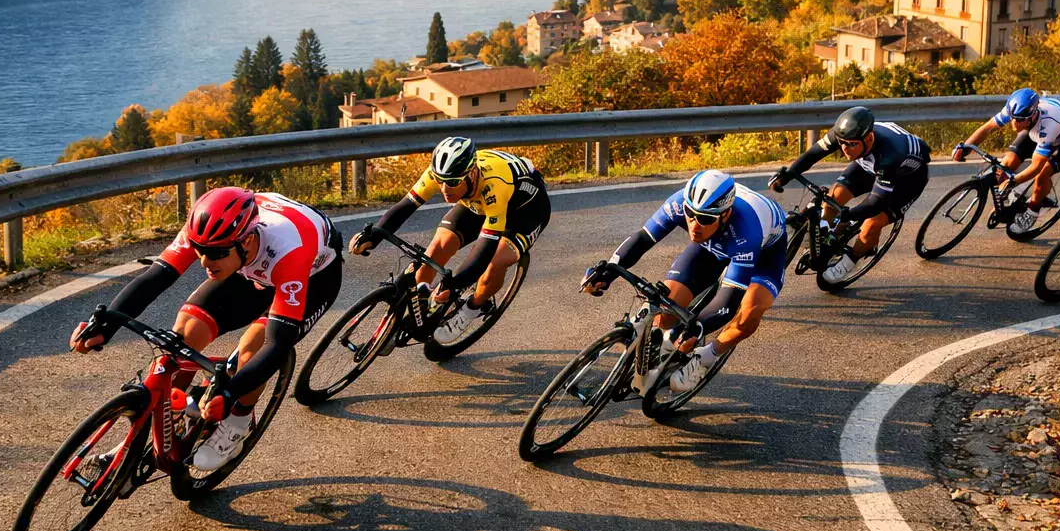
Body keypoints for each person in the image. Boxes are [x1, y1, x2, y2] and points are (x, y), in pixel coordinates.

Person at [69, 187, 343, 470]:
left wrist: (230, 394)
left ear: (247, 240)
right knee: (185, 334)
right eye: (199, 250)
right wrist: (108, 322)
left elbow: (277, 345)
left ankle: (237, 424)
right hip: (246, 267)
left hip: (311, 278)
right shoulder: (209, 234)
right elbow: (156, 277)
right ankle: (149, 434)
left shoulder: (290, 249)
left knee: (252, 350)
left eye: (214, 253)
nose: (204, 262)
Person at [582, 170, 786, 394]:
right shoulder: (681, 202)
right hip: (711, 243)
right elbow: (643, 238)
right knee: (665, 310)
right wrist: (608, 270)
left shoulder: (747, 231)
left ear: (725, 214)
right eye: (690, 213)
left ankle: (705, 358)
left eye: (705, 218)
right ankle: (663, 349)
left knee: (748, 315)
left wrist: (698, 328)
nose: (694, 224)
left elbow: (728, 302)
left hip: (764, 252)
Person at [349, 137, 550, 343]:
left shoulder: (495, 186)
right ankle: (408, 314)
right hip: (477, 202)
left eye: (453, 182)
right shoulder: (444, 175)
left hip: (525, 212)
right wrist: (375, 234)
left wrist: (455, 284)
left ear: (472, 173)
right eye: (441, 180)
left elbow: (485, 247)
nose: (445, 188)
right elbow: (405, 206)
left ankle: (472, 309)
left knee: (495, 261)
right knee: (438, 247)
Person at [769, 105, 930, 284]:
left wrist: (848, 215)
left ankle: (851, 260)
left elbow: (876, 202)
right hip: (869, 163)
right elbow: (813, 154)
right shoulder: (846, 135)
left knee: (872, 223)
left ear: (868, 138)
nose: (845, 148)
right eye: (841, 143)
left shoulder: (891, 154)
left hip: (906, 179)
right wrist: (788, 174)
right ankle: (827, 236)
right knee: (833, 196)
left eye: (850, 144)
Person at [954, 87, 1060, 233]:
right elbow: (988, 127)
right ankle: (1020, 194)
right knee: (1006, 164)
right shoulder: (1018, 110)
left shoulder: (1049, 125)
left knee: (1042, 174)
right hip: (1039, 128)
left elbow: (1036, 166)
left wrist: (1015, 180)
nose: (1014, 123)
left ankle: (1032, 212)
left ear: (1033, 115)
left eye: (1019, 120)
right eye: (1013, 118)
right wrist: (966, 146)